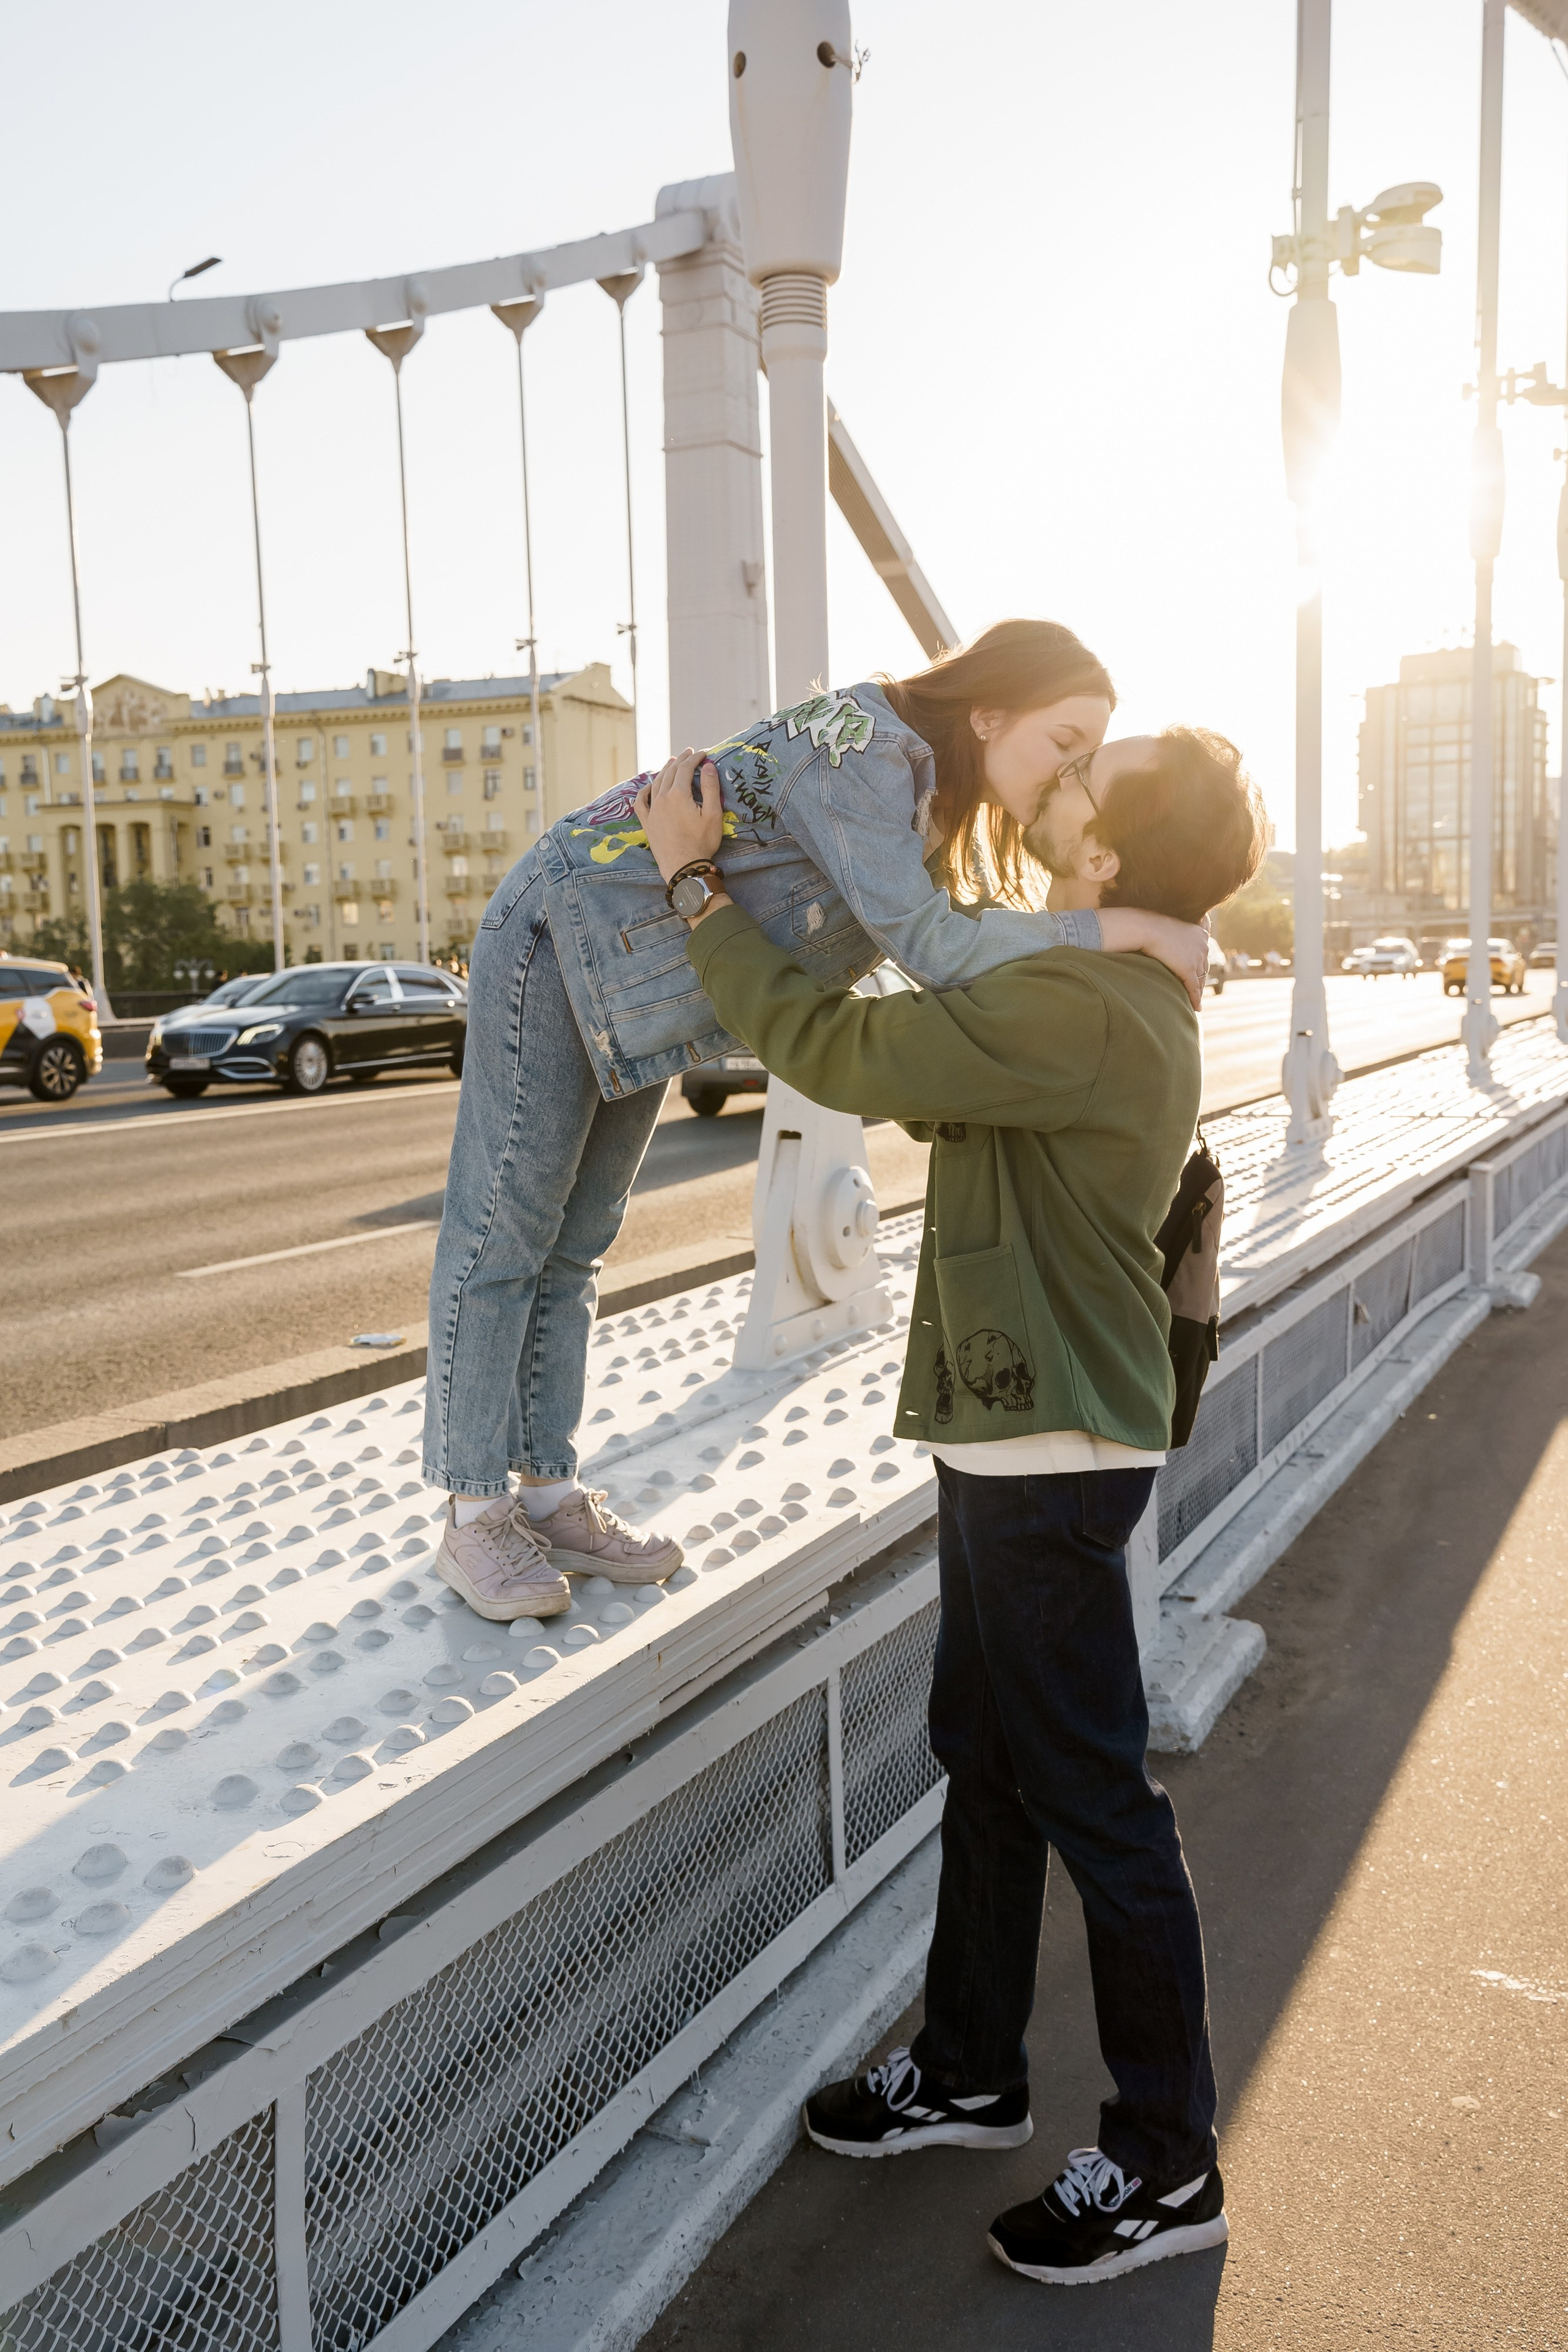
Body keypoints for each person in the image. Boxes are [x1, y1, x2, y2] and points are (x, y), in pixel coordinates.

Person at [635, 724, 1266, 2288]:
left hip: (1047, 1448)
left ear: (1105, 859)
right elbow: (940, 1062)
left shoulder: (1081, 1002)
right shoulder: (1097, 979)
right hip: (1016, 1433)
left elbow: (843, 1058)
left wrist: (697, 891)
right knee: (985, 1762)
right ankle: (972, 2067)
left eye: (1078, 787)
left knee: (1094, 1801)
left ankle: (1163, 2161)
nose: (1052, 789)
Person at [423, 622, 1212, 1625]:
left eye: (1087, 759)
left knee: (576, 1246)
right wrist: (1130, 924)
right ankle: (473, 1511)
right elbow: (933, 944)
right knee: (503, 1230)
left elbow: (955, 952)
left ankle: (545, 1491)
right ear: (989, 714)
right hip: (559, 935)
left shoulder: (936, 802)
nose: (1070, 771)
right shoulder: (867, 750)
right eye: (1065, 742)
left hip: (643, 979)